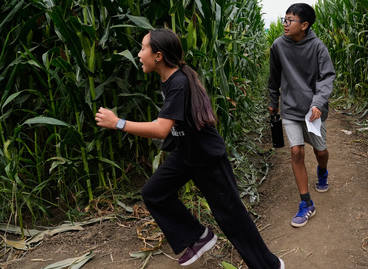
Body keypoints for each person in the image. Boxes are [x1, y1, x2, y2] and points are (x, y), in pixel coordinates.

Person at [96, 28, 284, 269]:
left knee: (232, 218)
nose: (139, 53)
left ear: (158, 55)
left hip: (207, 158)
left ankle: (269, 265)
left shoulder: (179, 83)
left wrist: (118, 123)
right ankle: (198, 236)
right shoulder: (169, 80)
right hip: (186, 154)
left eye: (143, 48)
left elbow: (161, 129)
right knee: (154, 192)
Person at [268, 3, 336, 228]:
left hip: (314, 111)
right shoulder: (278, 45)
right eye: (284, 19)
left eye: (290, 20)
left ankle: (323, 171)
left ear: (304, 25)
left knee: (321, 151)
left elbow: (327, 78)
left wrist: (318, 103)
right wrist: (273, 103)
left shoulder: (318, 47)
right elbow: (274, 76)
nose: (285, 24)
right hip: (290, 108)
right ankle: (306, 203)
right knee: (296, 151)